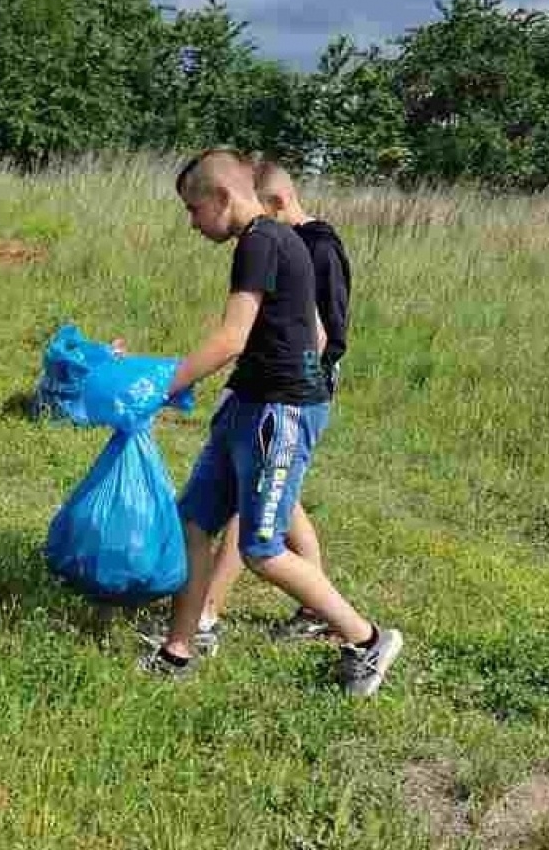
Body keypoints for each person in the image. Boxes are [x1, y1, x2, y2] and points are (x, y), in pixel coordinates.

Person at [138, 149, 402, 696]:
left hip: (278, 413)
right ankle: (180, 649)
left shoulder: (261, 241)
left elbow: (232, 336)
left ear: (221, 197)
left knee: (261, 547)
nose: (192, 222)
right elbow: (302, 333)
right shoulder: (273, 241)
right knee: (192, 523)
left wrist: (162, 387)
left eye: (193, 209)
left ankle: (367, 638)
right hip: (247, 404)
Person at [190, 160, 355, 647]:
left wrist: (286, 391)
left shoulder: (312, 247)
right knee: (274, 504)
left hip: (290, 398)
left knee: (258, 523)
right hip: (262, 393)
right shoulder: (279, 241)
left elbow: (321, 334)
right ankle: (307, 604)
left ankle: (207, 614)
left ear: (274, 203)